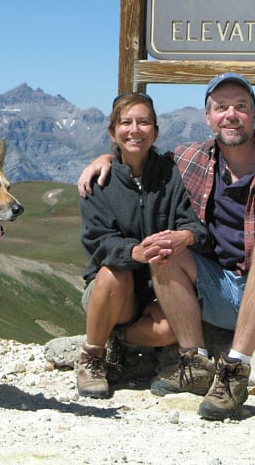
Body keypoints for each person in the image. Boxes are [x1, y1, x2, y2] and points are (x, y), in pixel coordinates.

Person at [78, 73, 255, 419]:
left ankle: (235, 371)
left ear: (254, 115)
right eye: (221, 107)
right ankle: (195, 364)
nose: (231, 114)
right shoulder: (190, 160)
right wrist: (106, 159)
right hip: (218, 289)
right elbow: (137, 153)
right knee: (166, 247)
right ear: (209, 117)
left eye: (240, 107)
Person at [77, 91, 210, 399]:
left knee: (170, 329)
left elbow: (196, 226)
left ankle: (117, 341)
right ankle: (92, 358)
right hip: (109, 290)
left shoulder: (173, 174)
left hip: (157, 292)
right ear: (113, 133)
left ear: (156, 131)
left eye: (144, 122)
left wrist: (186, 237)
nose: (135, 130)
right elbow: (97, 242)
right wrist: (133, 252)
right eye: (126, 123)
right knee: (115, 273)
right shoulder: (98, 182)